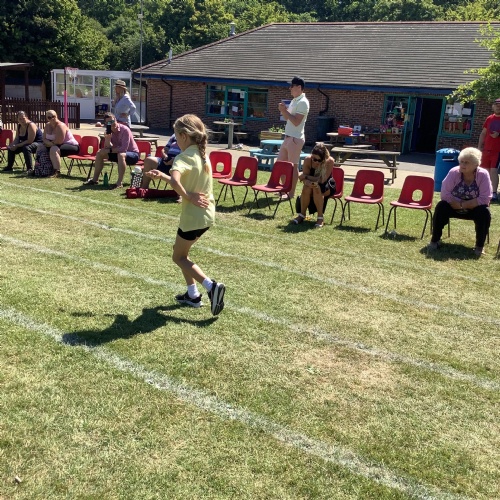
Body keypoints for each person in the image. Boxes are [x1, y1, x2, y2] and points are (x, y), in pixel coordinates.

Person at [145, 114, 225, 315]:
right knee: (180, 252)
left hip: (193, 217)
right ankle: (193, 295)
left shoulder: (183, 157)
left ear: (183, 136)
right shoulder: (202, 154)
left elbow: (176, 181)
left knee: (178, 257)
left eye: (175, 137)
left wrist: (188, 196)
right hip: (206, 215)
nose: (175, 142)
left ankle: (211, 287)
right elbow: (178, 180)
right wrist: (162, 175)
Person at [428, 147, 492, 257]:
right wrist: (457, 204)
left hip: (474, 209)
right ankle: (435, 241)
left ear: (476, 164)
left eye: (466, 162)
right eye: (461, 161)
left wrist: (463, 205)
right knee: (441, 206)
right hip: (454, 206)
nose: (462, 164)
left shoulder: (483, 174)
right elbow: (445, 194)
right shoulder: (454, 172)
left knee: (484, 212)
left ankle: (479, 246)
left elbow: (485, 198)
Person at [83, 112, 139, 189]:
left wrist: (109, 150)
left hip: (132, 154)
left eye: (112, 121)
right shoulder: (108, 131)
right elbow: (107, 147)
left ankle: (119, 183)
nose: (111, 123)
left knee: (121, 154)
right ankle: (95, 180)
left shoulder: (125, 130)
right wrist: (107, 139)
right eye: (109, 122)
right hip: (118, 153)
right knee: (100, 153)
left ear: (115, 119)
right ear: (106, 124)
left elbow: (123, 149)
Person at [277, 76, 310, 199]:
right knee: (280, 165)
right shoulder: (294, 100)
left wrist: (284, 111)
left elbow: (296, 121)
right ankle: (284, 190)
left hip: (295, 139)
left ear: (299, 87)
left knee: (293, 167)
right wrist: (283, 110)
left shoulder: (303, 102)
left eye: (292, 86)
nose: (289, 88)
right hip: (288, 137)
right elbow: (288, 118)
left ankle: (290, 194)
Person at [292, 143, 335, 228]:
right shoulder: (308, 160)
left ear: (324, 158)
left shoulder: (329, 161)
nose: (316, 162)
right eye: (314, 159)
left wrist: (306, 177)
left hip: (327, 184)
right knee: (306, 187)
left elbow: (322, 180)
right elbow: (303, 178)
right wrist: (306, 181)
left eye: (319, 160)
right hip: (311, 184)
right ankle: (302, 215)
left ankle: (320, 217)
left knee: (316, 188)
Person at [36, 110, 79, 178]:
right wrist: (48, 143)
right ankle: (39, 169)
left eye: (53, 116)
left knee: (53, 149)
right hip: (54, 144)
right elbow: (44, 139)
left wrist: (49, 144)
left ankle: (56, 172)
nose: (52, 118)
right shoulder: (47, 125)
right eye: (49, 117)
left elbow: (59, 141)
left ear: (56, 116)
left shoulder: (61, 125)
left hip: (71, 146)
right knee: (40, 147)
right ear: (47, 118)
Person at [478, 97, 500, 202]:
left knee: (493, 170)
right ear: (493, 107)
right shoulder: (489, 118)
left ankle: (494, 193)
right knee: (484, 170)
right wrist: (479, 147)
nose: (498, 107)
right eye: (496, 105)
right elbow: (483, 133)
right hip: (486, 149)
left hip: (497, 151)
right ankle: (484, 191)